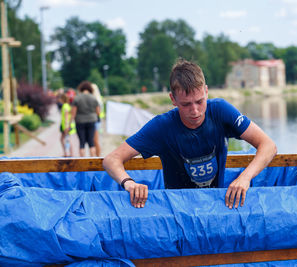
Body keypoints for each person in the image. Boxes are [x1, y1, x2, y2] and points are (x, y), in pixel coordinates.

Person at [103, 59, 277, 209]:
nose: (195, 111)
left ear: (206, 91)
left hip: (215, 204)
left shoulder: (221, 111)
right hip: (179, 210)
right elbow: (111, 159)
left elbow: (268, 146)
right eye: (186, 104)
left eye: (200, 102)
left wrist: (245, 178)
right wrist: (129, 182)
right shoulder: (161, 126)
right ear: (173, 99)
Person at [71, 81, 100, 157]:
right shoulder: (93, 98)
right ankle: (92, 162)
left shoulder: (77, 98)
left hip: (80, 122)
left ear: (81, 89)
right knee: (91, 143)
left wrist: (70, 123)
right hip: (91, 121)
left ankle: (82, 163)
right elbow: (98, 112)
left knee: (82, 143)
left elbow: (73, 113)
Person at [91, 83, 104, 157]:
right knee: (95, 141)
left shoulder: (96, 100)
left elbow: (98, 112)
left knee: (95, 141)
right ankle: (97, 156)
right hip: (97, 120)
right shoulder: (99, 98)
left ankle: (98, 157)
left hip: (95, 120)